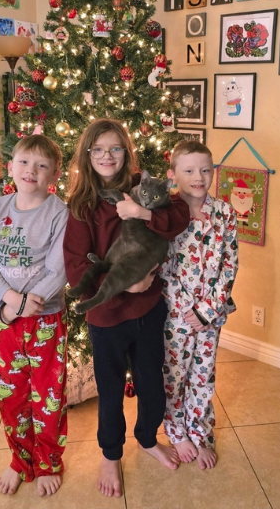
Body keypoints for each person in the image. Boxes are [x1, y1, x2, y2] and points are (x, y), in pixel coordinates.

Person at [63, 118, 191, 497]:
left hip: (149, 310)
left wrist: (144, 213)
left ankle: (148, 439)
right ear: (87, 155)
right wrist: (126, 283)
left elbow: (179, 215)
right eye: (99, 149)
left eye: (115, 148)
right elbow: (76, 266)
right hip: (107, 316)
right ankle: (110, 453)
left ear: (126, 153)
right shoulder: (82, 206)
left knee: (152, 382)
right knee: (111, 388)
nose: (107, 156)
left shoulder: (141, 189)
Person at [0, 134, 69, 497]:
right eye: (25, 162)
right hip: (8, 318)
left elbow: (59, 268)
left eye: (42, 165)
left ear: (54, 174)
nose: (32, 170)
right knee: (11, 393)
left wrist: (36, 298)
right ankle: (20, 459)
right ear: (10, 167)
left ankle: (47, 462)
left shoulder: (59, 213)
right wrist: (12, 299)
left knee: (48, 394)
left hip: (46, 319)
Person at [159, 140, 239, 469]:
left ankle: (201, 433)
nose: (198, 177)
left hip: (210, 316)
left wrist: (206, 310)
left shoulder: (225, 213)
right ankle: (176, 431)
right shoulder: (166, 214)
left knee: (203, 377)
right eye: (189, 170)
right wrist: (183, 310)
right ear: (173, 174)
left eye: (205, 170)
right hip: (175, 317)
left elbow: (229, 266)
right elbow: (162, 267)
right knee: (174, 377)